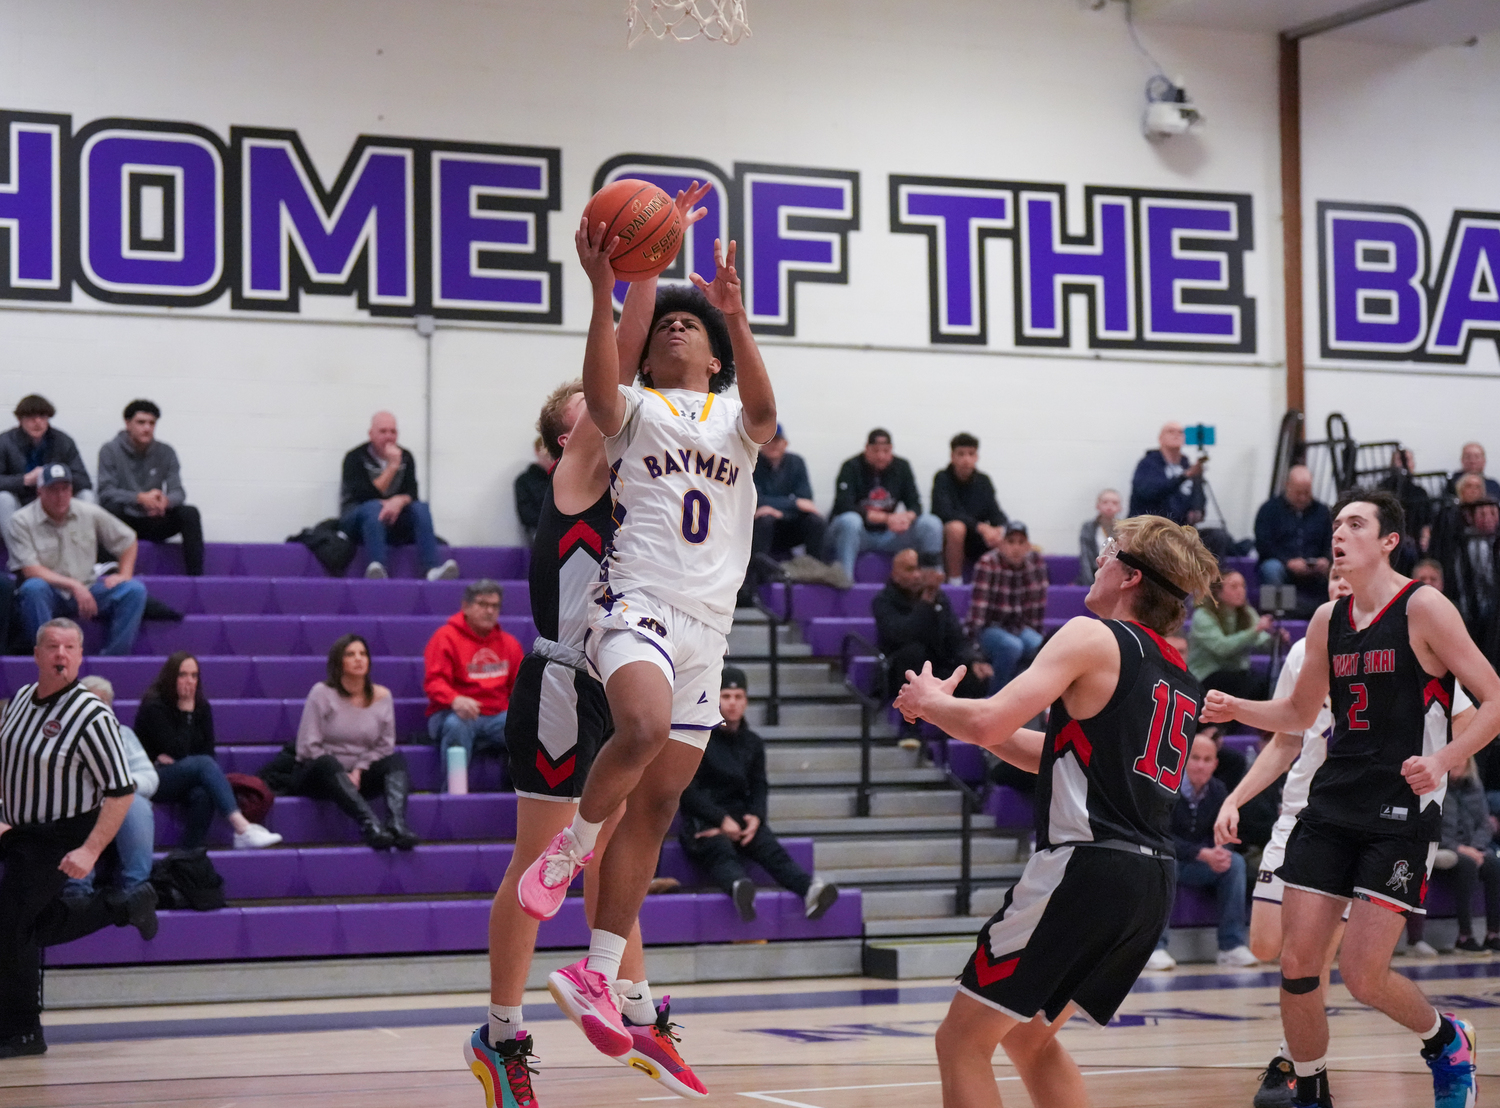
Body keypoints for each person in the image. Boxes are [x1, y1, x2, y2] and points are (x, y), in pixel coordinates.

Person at [514, 217, 775, 1086]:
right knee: (638, 728)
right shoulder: (631, 415)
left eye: (688, 325)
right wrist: (607, 289)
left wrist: (733, 313)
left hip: (710, 627)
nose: (674, 326)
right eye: (666, 321)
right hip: (639, 605)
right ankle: (571, 849)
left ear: (712, 357)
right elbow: (601, 381)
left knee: (661, 805)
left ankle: (598, 969)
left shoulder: (738, 417)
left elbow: (771, 413)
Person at [893, 514, 1219, 1108]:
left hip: (1084, 869)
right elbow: (1058, 754)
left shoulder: (1091, 636)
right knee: (1030, 1040)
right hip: (1149, 882)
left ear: (1130, 576)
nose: (1097, 561)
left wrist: (933, 705)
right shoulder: (1179, 675)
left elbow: (993, 718)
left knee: (961, 1041)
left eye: (1107, 553)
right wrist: (959, 719)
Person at [1201, 489, 1500, 1108]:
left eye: (1355, 524)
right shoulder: (1325, 622)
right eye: (1336, 523)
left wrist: (1442, 759)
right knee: (1297, 963)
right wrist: (1236, 709)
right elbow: (1299, 713)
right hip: (1332, 804)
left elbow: (1494, 699)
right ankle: (1310, 1087)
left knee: (1363, 977)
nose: (1339, 533)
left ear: (1389, 540)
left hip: (1400, 813)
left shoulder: (1425, 608)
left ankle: (1447, 1042)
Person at [468, 362, 709, 1107]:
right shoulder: (576, 480)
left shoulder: (645, 492)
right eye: (593, 412)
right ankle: (500, 1036)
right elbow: (608, 380)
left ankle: (635, 1010)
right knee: (544, 861)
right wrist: (623, 281)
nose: (616, 416)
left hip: (629, 684)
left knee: (612, 858)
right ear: (564, 442)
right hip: (567, 682)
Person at [0, 619, 155, 1058]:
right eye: (52, 646)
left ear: (81, 656)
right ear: (36, 654)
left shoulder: (92, 715)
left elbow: (122, 790)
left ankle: (22, 1030)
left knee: (12, 924)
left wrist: (90, 849)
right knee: (25, 925)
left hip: (61, 832)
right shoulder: (19, 702)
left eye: (70, 647)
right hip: (18, 829)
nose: (60, 654)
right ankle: (123, 905)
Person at [678, 667, 839, 922]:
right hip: (705, 820)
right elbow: (687, 790)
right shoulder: (701, 737)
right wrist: (721, 821)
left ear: (746, 701)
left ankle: (810, 889)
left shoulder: (753, 743)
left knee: (767, 845)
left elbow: (759, 785)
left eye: (738, 696)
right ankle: (740, 887)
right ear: (715, 698)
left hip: (741, 818)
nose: (732, 703)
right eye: (726, 695)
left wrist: (756, 817)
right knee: (718, 847)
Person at [135, 652, 281, 850]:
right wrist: (186, 714)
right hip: (151, 777)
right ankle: (242, 827)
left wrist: (184, 762)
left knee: (204, 794)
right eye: (183, 675)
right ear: (171, 677)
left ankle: (188, 857)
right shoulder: (154, 706)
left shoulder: (202, 707)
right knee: (202, 764)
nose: (190, 681)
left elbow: (207, 752)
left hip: (185, 775)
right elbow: (180, 750)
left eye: (194, 675)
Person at [291, 635, 418, 850]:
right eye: (351, 654)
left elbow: (385, 746)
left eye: (363, 654)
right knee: (326, 763)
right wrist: (343, 772)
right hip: (322, 775)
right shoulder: (322, 693)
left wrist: (359, 770)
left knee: (395, 761)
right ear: (338, 662)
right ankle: (370, 824)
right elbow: (307, 745)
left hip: (360, 775)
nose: (359, 659)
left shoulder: (382, 696)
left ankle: (397, 824)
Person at [7, 462, 148, 655]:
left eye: (65, 489)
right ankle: (48, 656)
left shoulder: (88, 512)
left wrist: (124, 574)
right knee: (33, 588)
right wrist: (74, 585)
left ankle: (113, 659)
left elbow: (128, 539)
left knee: (134, 590)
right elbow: (31, 570)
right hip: (51, 592)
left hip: (89, 589)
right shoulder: (21, 520)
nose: (60, 496)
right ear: (40, 491)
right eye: (53, 490)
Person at [1151, 735, 1257, 970]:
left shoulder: (1218, 790)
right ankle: (1155, 947)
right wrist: (1201, 853)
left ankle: (1231, 946)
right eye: (1195, 758)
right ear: (1183, 761)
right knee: (1162, 863)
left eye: (1207, 759)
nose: (1201, 765)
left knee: (1235, 864)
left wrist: (1221, 852)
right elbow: (1159, 836)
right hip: (1170, 860)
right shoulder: (1166, 788)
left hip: (1200, 864)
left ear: (1215, 764)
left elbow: (1225, 830)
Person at [64, 676, 157, 903]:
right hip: (79, 804)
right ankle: (76, 893)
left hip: (118, 806)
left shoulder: (123, 735)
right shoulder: (63, 737)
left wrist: (124, 785)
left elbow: (150, 777)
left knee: (136, 803)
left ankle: (137, 892)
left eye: (103, 702)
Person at [424, 579, 523, 787]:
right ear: (466, 607)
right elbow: (434, 682)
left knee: (526, 725)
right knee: (457, 725)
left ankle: (519, 790)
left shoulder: (509, 644)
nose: (489, 611)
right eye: (482, 604)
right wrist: (456, 700)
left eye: (494, 606)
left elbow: (519, 688)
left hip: (496, 715)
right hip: (450, 713)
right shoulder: (445, 638)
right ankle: (453, 792)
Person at [339, 411, 459, 581]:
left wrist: (399, 500)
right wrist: (392, 467)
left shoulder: (406, 456)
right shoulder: (354, 457)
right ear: (371, 434)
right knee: (374, 507)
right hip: (357, 520)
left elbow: (412, 493)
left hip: (393, 520)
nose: (389, 436)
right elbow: (364, 495)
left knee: (421, 508)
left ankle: (432, 569)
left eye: (393, 431)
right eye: (383, 431)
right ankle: (377, 567)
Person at [96, 399, 205, 577]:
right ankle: (111, 574)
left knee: (190, 513)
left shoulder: (166, 451)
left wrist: (165, 502)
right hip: (125, 522)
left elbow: (179, 491)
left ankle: (196, 578)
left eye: (151, 423)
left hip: (154, 519)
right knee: (109, 509)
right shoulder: (110, 450)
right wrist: (140, 498)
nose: (147, 428)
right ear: (127, 423)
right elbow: (105, 492)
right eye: (141, 422)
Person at [827, 429, 942, 581]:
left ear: (891, 450)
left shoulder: (902, 467)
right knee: (850, 521)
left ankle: (931, 583)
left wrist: (905, 518)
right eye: (875, 451)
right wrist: (887, 518)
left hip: (890, 535)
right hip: (859, 534)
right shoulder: (850, 467)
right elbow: (843, 505)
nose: (881, 456)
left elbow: (915, 505)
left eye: (886, 451)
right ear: (866, 449)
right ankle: (844, 580)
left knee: (931, 523)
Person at [876, 549, 990, 702]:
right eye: (910, 570)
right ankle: (910, 723)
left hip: (937, 666)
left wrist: (973, 660)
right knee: (914, 653)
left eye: (919, 569)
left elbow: (955, 636)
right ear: (895, 575)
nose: (917, 575)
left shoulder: (940, 598)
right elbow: (901, 634)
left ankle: (962, 724)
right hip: (901, 671)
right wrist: (926, 603)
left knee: (974, 676)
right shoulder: (883, 601)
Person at [964, 521, 1047, 694]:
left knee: (1042, 647)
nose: (1016, 548)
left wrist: (1034, 632)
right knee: (1012, 646)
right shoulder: (988, 563)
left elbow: (1037, 608)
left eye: (1021, 542)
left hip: (1019, 627)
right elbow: (979, 609)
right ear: (1001, 545)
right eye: (1010, 542)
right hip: (991, 627)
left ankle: (1026, 702)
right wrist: (974, 650)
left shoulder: (1036, 564)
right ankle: (995, 699)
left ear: (1028, 546)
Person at [0, 394, 94, 539]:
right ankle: (18, 554)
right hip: (22, 503)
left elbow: (84, 480)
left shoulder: (63, 441)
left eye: (42, 417)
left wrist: (56, 478)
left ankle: (83, 548)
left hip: (56, 500)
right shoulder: (5, 442)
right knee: (4, 499)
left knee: (87, 496)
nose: (37, 422)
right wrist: (24, 480)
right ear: (20, 420)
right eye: (31, 417)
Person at [1432, 758, 1500, 953]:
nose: (1457, 766)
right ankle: (1465, 936)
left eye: (1460, 762)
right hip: (1445, 846)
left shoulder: (1474, 787)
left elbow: (1485, 824)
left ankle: (1493, 934)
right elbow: (1431, 826)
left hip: (1472, 847)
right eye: (1452, 763)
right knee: (1467, 864)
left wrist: (1476, 847)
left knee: (1495, 864)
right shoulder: (1435, 787)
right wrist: (1460, 848)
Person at [1187, 570, 1277, 700]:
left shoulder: (1247, 612)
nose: (1241, 591)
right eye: (1234, 587)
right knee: (1249, 685)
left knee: (1268, 684)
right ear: (1218, 591)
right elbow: (1221, 648)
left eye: (1243, 586)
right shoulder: (1203, 615)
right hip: (1207, 674)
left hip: (1237, 672)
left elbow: (1260, 640)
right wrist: (1255, 630)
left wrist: (1275, 639)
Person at [750, 423, 827, 571]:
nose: (772, 445)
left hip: (790, 525)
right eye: (768, 441)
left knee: (816, 521)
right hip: (763, 527)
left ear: (785, 443)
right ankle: (756, 573)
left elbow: (806, 500)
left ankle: (816, 570)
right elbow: (755, 499)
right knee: (765, 520)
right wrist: (794, 503)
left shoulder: (796, 462)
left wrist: (779, 511)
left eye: (776, 440)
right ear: (761, 444)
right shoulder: (753, 463)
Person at [932, 433, 1007, 585]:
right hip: (950, 540)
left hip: (977, 537)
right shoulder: (942, 478)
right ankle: (955, 582)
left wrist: (1001, 529)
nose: (966, 459)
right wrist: (981, 527)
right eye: (961, 454)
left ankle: (1005, 585)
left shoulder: (984, 481)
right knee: (956, 528)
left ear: (976, 457)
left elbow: (995, 512)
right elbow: (945, 513)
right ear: (952, 456)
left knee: (1010, 536)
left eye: (971, 454)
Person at [1254, 465, 1333, 595]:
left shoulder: (1322, 512)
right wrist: (1288, 562)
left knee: (1338, 569)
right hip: (1282, 564)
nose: (1302, 497)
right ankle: (1277, 612)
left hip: (1314, 566)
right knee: (1271, 568)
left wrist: (1325, 559)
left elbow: (1330, 540)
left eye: (1306, 493)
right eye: (1298, 493)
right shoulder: (1269, 510)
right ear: (1287, 485)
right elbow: (1263, 545)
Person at [1128, 421, 1205, 524]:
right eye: (1171, 431)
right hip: (1150, 527)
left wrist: (1197, 509)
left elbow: (1198, 493)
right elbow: (1150, 492)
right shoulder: (1149, 464)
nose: (1176, 435)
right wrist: (1183, 477)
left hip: (1181, 528)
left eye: (1180, 432)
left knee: (1218, 536)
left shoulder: (1186, 465)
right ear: (1160, 438)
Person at [1075, 489, 1121, 586]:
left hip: (1116, 576)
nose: (1109, 506)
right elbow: (1085, 558)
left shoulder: (1123, 530)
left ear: (1120, 508)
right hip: (1094, 574)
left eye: (1114, 503)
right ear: (1097, 506)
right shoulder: (1088, 528)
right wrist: (1090, 584)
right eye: (1105, 502)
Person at [514, 435, 553, 546]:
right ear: (537, 452)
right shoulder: (525, 480)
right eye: (546, 452)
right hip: (541, 532)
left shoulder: (563, 478)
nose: (550, 457)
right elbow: (526, 516)